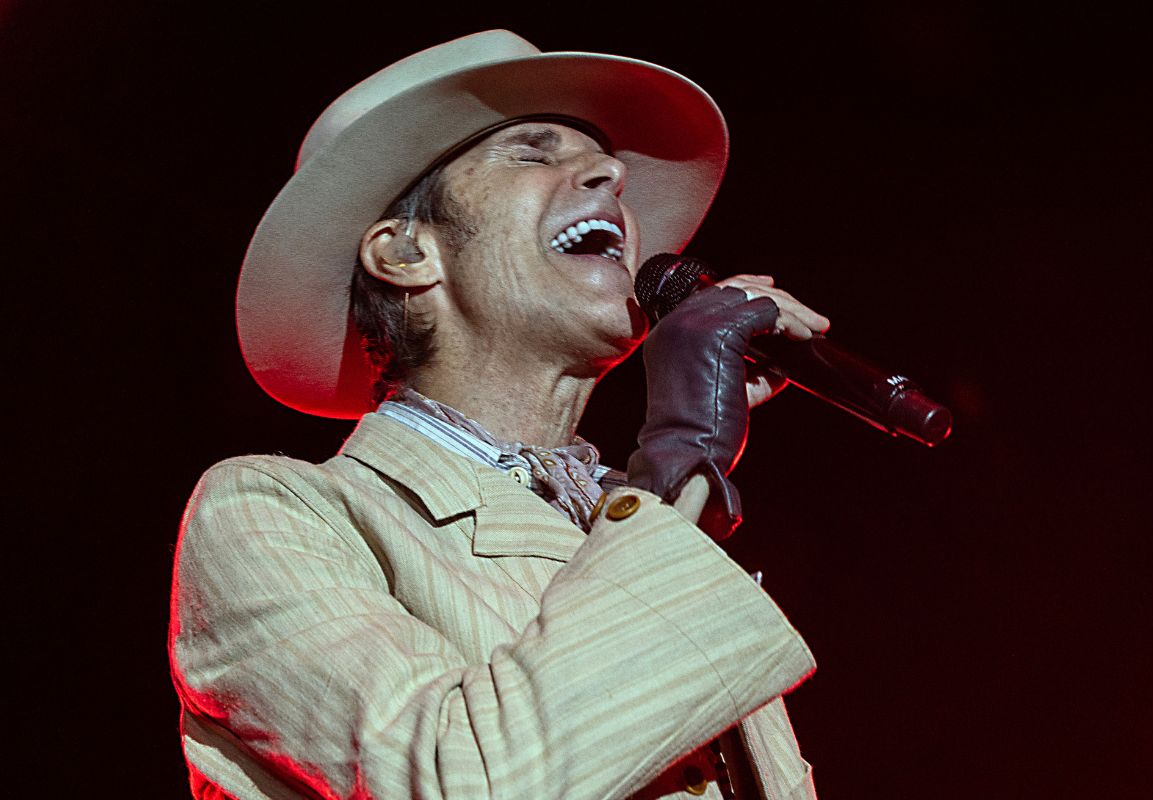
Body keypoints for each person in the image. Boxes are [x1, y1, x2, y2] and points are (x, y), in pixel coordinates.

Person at [169, 30, 829, 799]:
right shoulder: (277, 513)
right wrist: (681, 458)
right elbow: (466, 781)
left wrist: (668, 482)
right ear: (407, 253)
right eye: (533, 153)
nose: (612, 174)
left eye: (602, 163)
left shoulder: (627, 527)